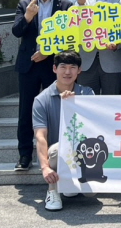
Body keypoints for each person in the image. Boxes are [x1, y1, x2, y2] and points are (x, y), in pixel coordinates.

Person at [11, 0, 73, 171]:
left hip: (53, 66)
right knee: (26, 111)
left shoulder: (66, 6)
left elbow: (69, 37)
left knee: (55, 110)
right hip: (28, 65)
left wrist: (48, 52)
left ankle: (56, 154)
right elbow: (17, 31)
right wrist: (28, 16)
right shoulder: (24, 4)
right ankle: (24, 155)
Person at [32, 51, 95, 211]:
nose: (67, 72)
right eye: (63, 67)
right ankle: (52, 191)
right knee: (61, 148)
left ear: (79, 70)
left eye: (72, 67)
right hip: (55, 153)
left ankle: (68, 183)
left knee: (91, 193)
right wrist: (44, 167)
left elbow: (93, 126)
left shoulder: (87, 93)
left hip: (83, 151)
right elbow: (40, 136)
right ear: (54, 69)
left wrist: (75, 104)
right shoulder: (42, 99)